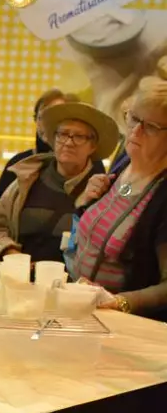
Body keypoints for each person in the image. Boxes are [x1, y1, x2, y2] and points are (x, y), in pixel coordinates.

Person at [66, 76, 167, 319]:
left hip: (127, 327)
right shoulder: (124, 160)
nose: (136, 131)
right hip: (84, 310)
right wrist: (89, 200)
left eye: (151, 127)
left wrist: (121, 302)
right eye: (134, 119)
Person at [0, 102, 119, 266]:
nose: (68, 142)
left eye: (79, 136)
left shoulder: (103, 189)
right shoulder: (27, 177)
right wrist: (10, 254)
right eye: (62, 134)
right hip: (18, 279)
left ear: (93, 146)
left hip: (73, 286)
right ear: (53, 139)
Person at [0, 89, 70, 219]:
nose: (48, 123)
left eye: (55, 116)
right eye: (42, 117)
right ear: (36, 121)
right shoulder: (18, 164)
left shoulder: (84, 165)